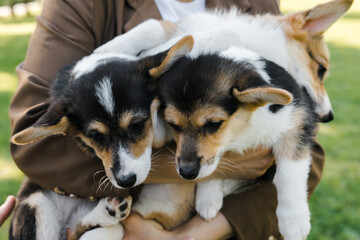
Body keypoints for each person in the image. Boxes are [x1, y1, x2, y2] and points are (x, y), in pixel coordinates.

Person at [9, 0, 325, 239]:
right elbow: (32, 139)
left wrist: (194, 236)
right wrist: (222, 165)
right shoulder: (82, 5)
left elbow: (306, 141)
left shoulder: (253, 5)